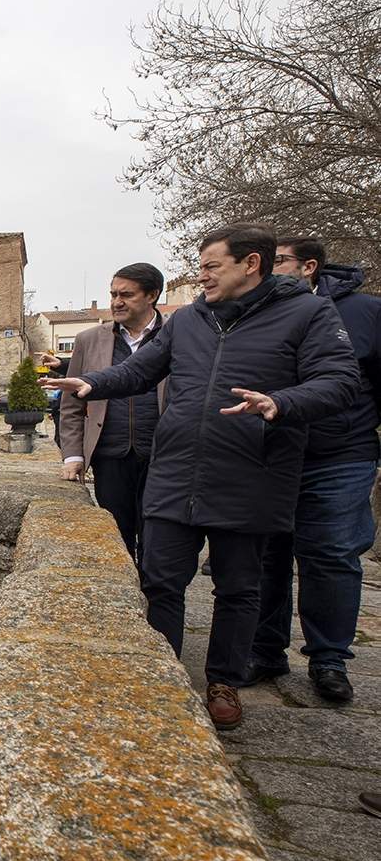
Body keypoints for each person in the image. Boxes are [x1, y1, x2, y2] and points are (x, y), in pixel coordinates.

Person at [43, 223, 359, 731]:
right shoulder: (189, 319)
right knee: (160, 580)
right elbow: (142, 370)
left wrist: (281, 402)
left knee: (239, 588)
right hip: (175, 471)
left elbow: (340, 382)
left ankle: (223, 682)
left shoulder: (308, 313)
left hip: (252, 472)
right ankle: (162, 678)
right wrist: (91, 383)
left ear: (250, 264)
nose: (202, 276)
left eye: (211, 266)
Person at [250, 237, 381, 703]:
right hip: (272, 452)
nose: (268, 268)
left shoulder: (365, 313)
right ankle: (265, 649)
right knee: (267, 554)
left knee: (330, 554)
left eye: (279, 261)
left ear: (308, 267)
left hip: (339, 454)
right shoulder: (257, 312)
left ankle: (328, 658)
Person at [57, 263, 168, 568]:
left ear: (152, 295)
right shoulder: (89, 339)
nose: (116, 302)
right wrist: (73, 455)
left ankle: (152, 592)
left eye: (126, 295)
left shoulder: (176, 335)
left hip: (162, 457)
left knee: (158, 540)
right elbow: (71, 405)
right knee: (116, 538)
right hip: (109, 456)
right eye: (113, 294)